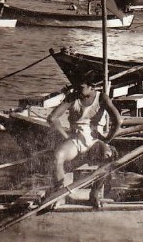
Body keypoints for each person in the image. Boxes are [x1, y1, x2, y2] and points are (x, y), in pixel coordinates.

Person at [47, 73, 122, 208]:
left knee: (108, 156)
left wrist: (107, 140)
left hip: (95, 140)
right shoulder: (73, 97)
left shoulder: (102, 97)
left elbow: (118, 120)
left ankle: (95, 193)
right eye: (75, 87)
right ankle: (59, 194)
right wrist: (66, 137)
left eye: (80, 87)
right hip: (76, 140)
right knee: (57, 156)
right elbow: (52, 118)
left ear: (91, 87)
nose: (76, 90)